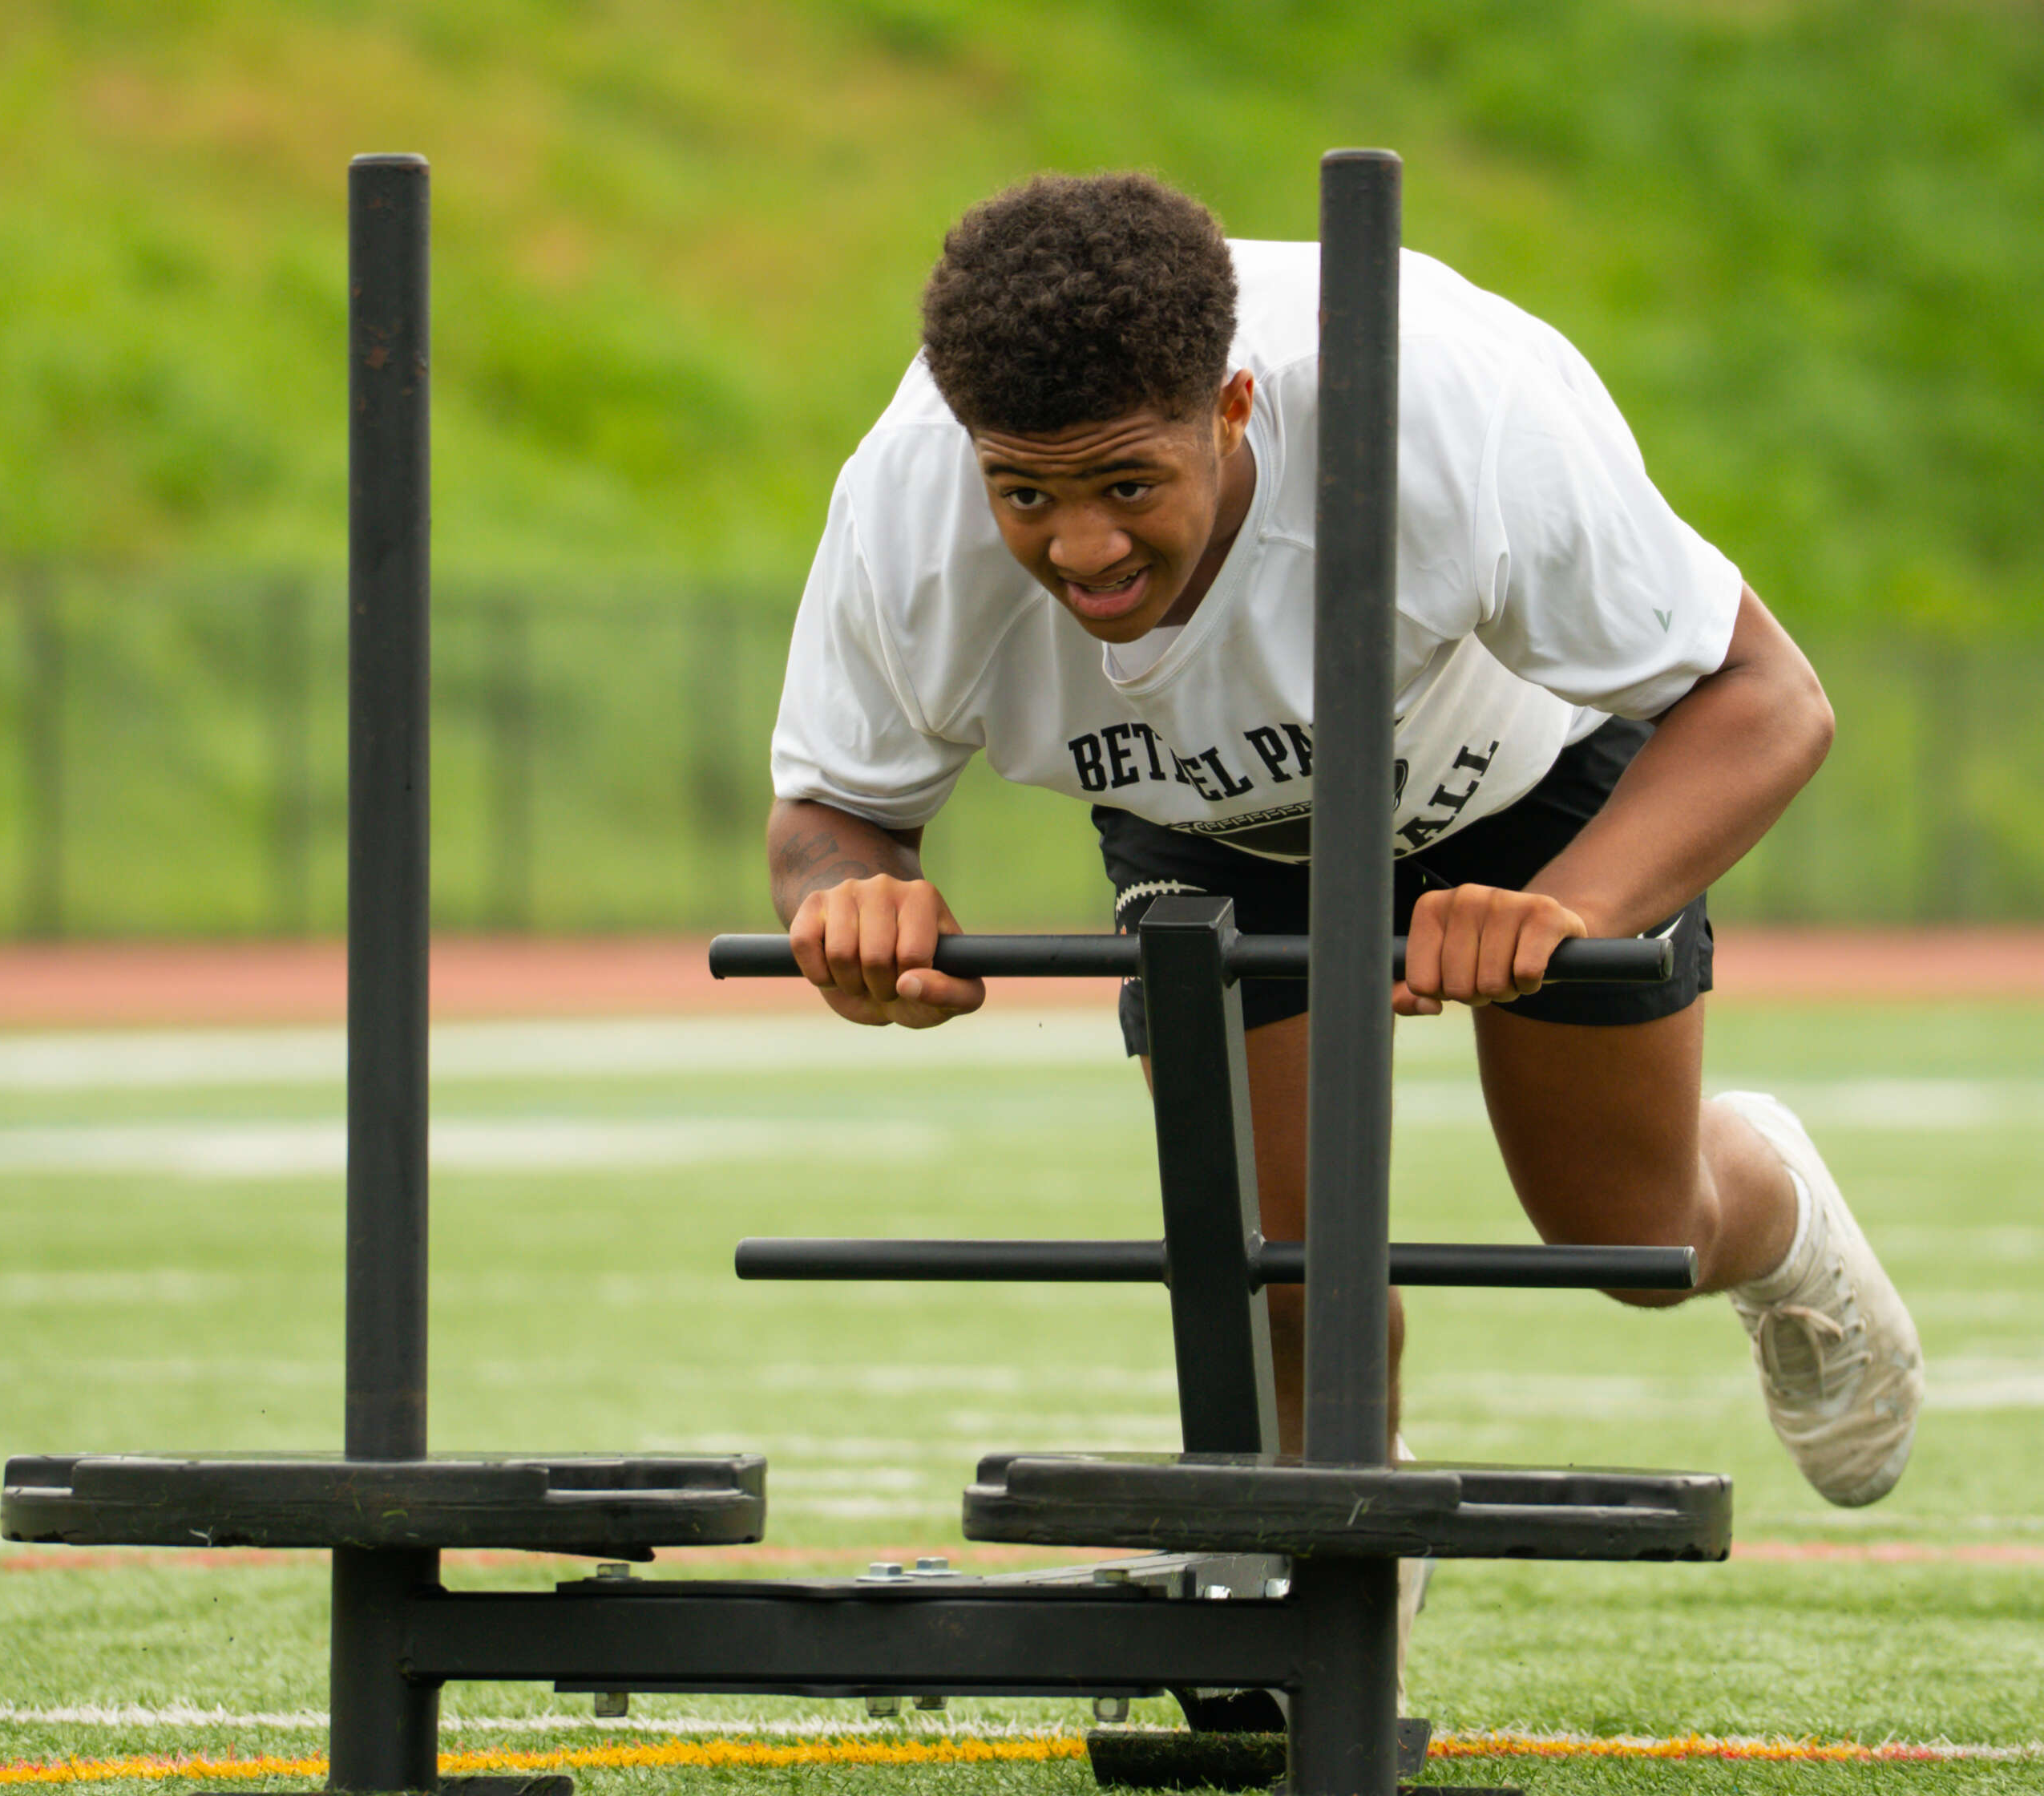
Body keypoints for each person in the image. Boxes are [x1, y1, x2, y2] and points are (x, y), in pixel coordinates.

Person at [764, 169, 1924, 1517]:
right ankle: (1338, 1567)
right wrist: (854, 909)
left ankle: (1788, 1229)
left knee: (1629, 1233)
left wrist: (1569, 905)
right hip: (1209, 825)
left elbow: (1769, 700)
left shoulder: (1451, 408)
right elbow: (834, 812)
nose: (1080, 547)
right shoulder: (906, 502)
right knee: (1281, 1269)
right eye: (1023, 494)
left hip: (1525, 779)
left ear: (1234, 409)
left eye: (1127, 482)